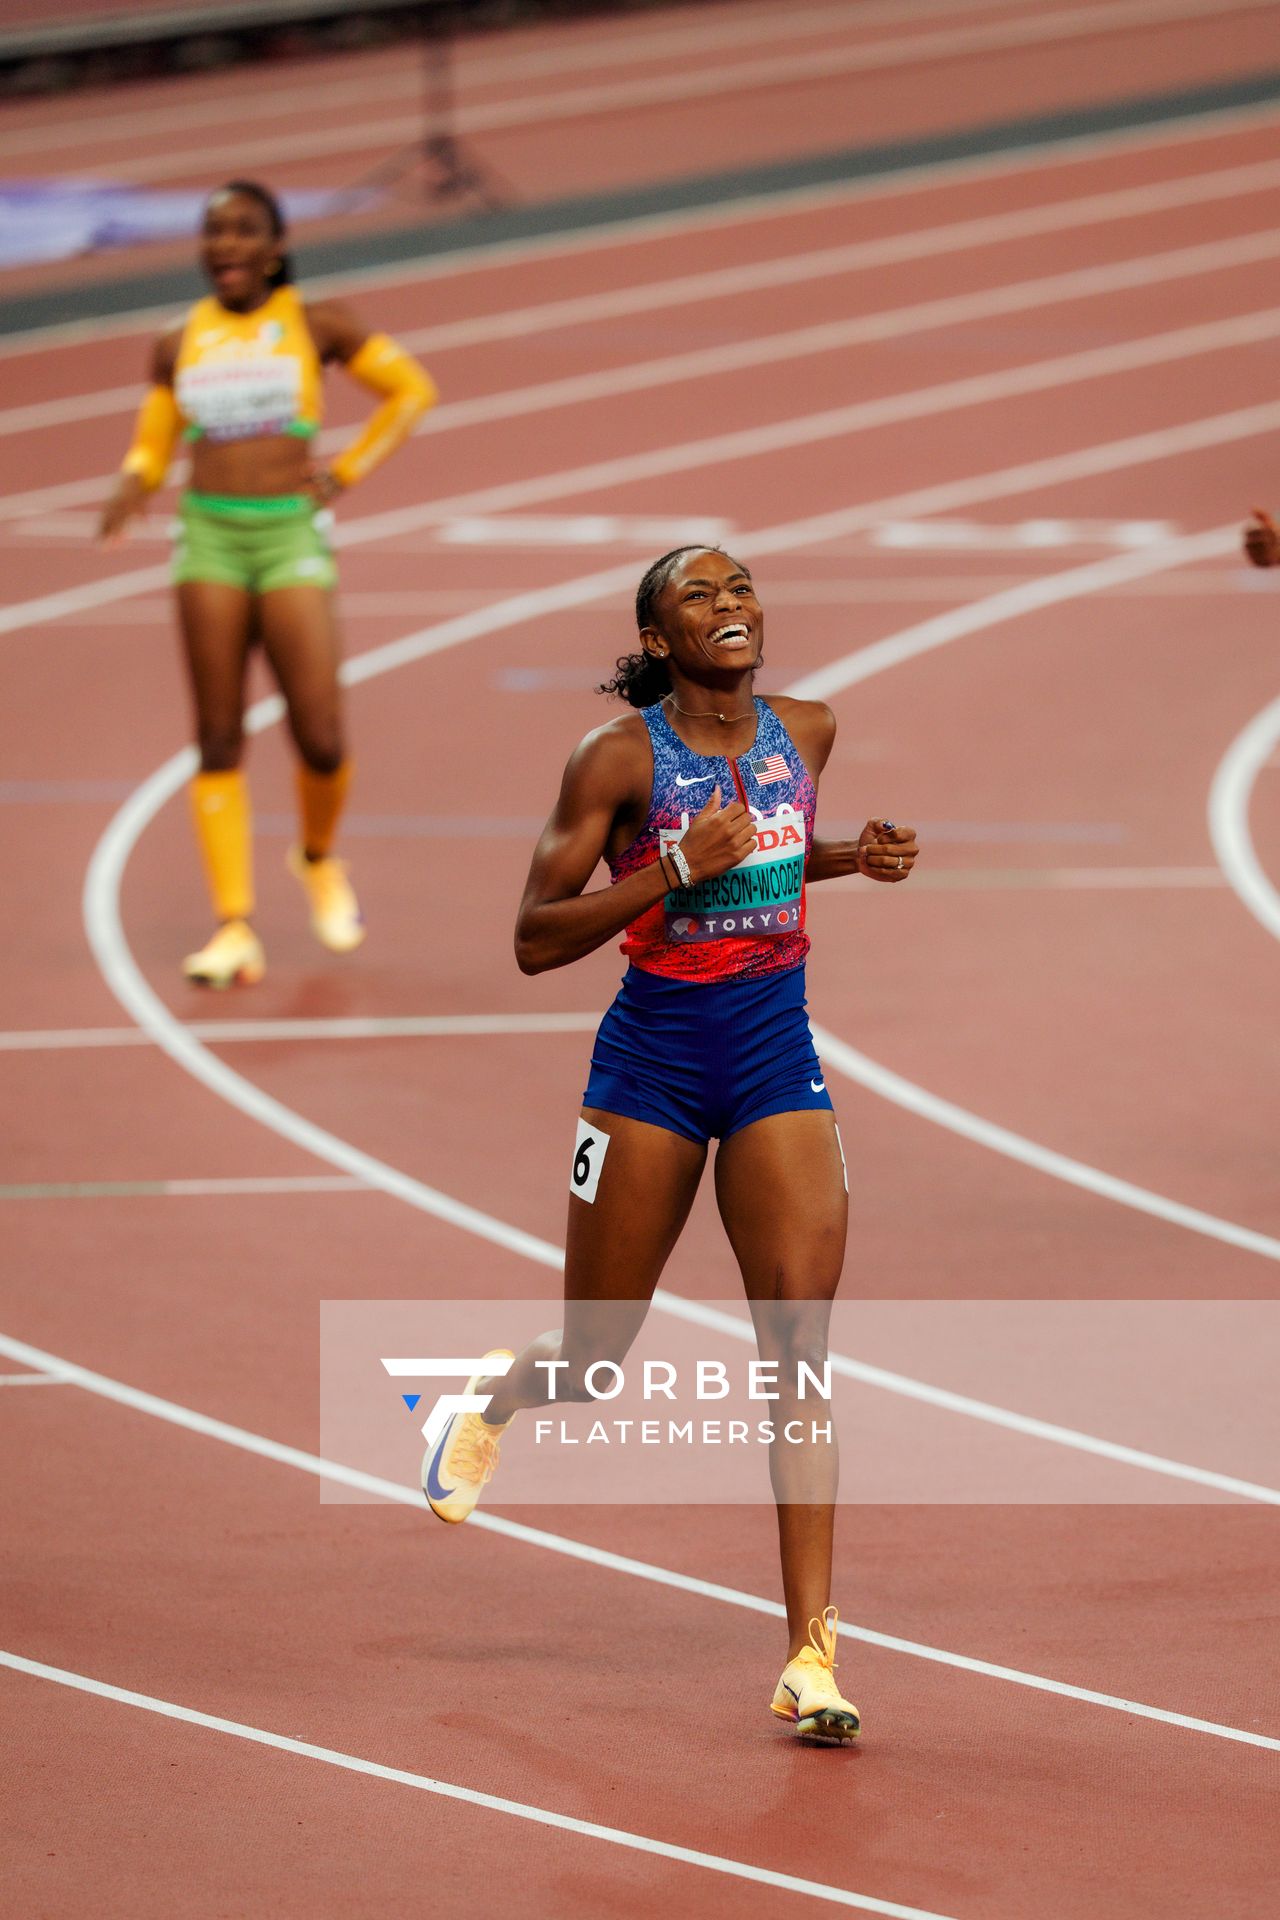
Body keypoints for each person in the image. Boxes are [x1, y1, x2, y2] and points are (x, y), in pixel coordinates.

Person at [422, 544, 919, 1743]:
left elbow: (772, 854)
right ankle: (492, 1393)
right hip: (648, 1068)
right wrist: (667, 872)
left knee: (798, 1354)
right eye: (699, 595)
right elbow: (534, 939)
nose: (729, 605)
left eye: (739, 587)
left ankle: (809, 1658)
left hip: (774, 1058)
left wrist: (850, 856)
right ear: (656, 639)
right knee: (597, 1355)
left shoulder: (807, 730)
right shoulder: (614, 758)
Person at [99, 179, 437, 986]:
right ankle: (234, 927)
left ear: (276, 247)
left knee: (320, 736)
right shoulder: (178, 339)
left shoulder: (318, 324)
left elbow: (411, 391)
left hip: (289, 536)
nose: (225, 244)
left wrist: (345, 472)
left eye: (244, 229)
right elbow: (154, 441)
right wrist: (135, 478)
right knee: (218, 736)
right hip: (209, 538)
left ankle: (317, 857)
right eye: (214, 230)